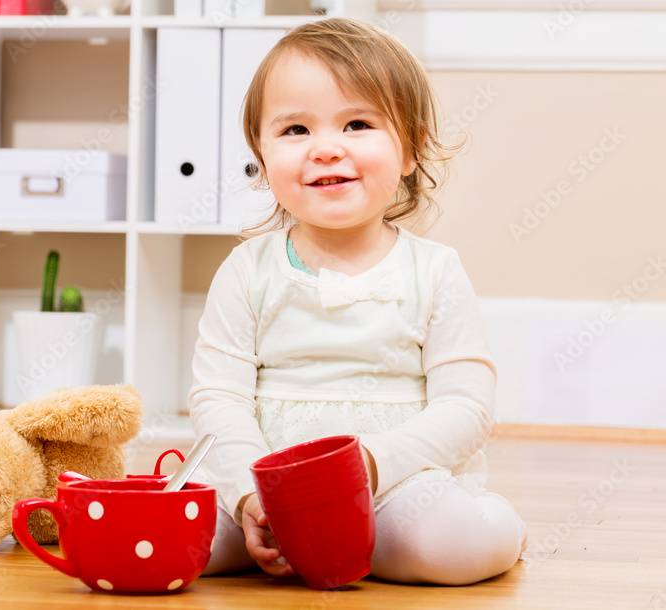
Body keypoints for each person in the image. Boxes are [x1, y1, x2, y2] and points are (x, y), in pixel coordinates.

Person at [187, 17, 529, 586]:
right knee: (184, 538)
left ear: (411, 150)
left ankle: (501, 529)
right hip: (263, 492)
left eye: (358, 124)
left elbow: (466, 409)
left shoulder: (434, 271)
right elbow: (218, 399)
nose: (325, 149)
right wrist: (248, 494)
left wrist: (371, 466)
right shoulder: (246, 271)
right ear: (262, 154)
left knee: (451, 546)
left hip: (394, 492)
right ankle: (267, 535)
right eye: (295, 130)